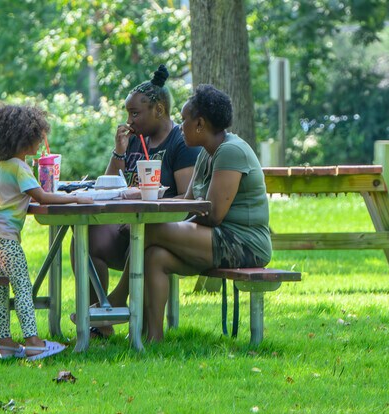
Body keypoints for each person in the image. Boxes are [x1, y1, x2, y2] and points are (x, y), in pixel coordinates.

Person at [111, 84, 272, 341]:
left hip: (243, 243)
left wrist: (160, 227)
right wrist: (149, 207)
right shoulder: (207, 153)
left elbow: (214, 214)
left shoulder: (231, 151)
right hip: (219, 238)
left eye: (184, 120)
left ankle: (117, 299)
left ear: (200, 124)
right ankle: (153, 338)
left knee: (150, 230)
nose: (180, 125)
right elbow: (186, 202)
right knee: (154, 255)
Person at [75, 64, 201, 304]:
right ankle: (96, 314)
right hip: (126, 228)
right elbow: (107, 188)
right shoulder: (135, 140)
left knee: (141, 236)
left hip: (159, 232)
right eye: (128, 114)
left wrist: (147, 204)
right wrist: (119, 152)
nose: (129, 121)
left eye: (135, 113)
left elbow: (188, 199)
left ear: (159, 110)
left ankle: (114, 306)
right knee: (84, 238)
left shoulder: (180, 143)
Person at [0, 103, 93, 360]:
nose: (41, 143)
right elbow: (42, 197)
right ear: (24, 137)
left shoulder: (0, 165)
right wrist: (75, 198)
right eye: (37, 137)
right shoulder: (20, 167)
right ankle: (33, 341)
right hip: (6, 237)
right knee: (21, 287)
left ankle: (5, 342)